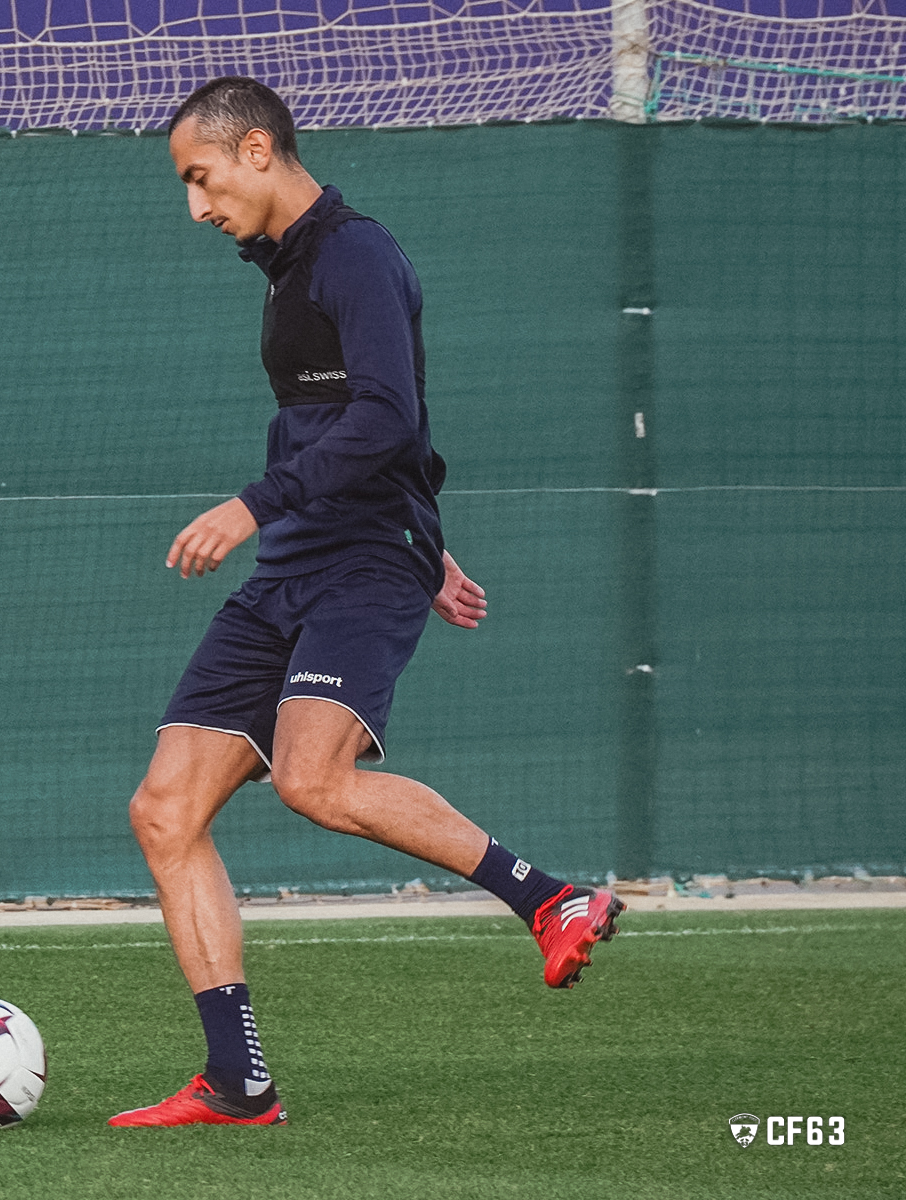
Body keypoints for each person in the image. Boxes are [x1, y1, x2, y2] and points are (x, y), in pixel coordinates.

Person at [107, 77, 624, 1129]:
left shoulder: (353, 254)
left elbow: (388, 414)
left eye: (198, 179)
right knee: (164, 811)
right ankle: (238, 1081)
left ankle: (550, 897)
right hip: (302, 564)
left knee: (312, 778)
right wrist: (427, 539)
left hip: (351, 564)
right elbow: (362, 429)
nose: (194, 207)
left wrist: (278, 512)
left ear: (256, 150)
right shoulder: (287, 263)